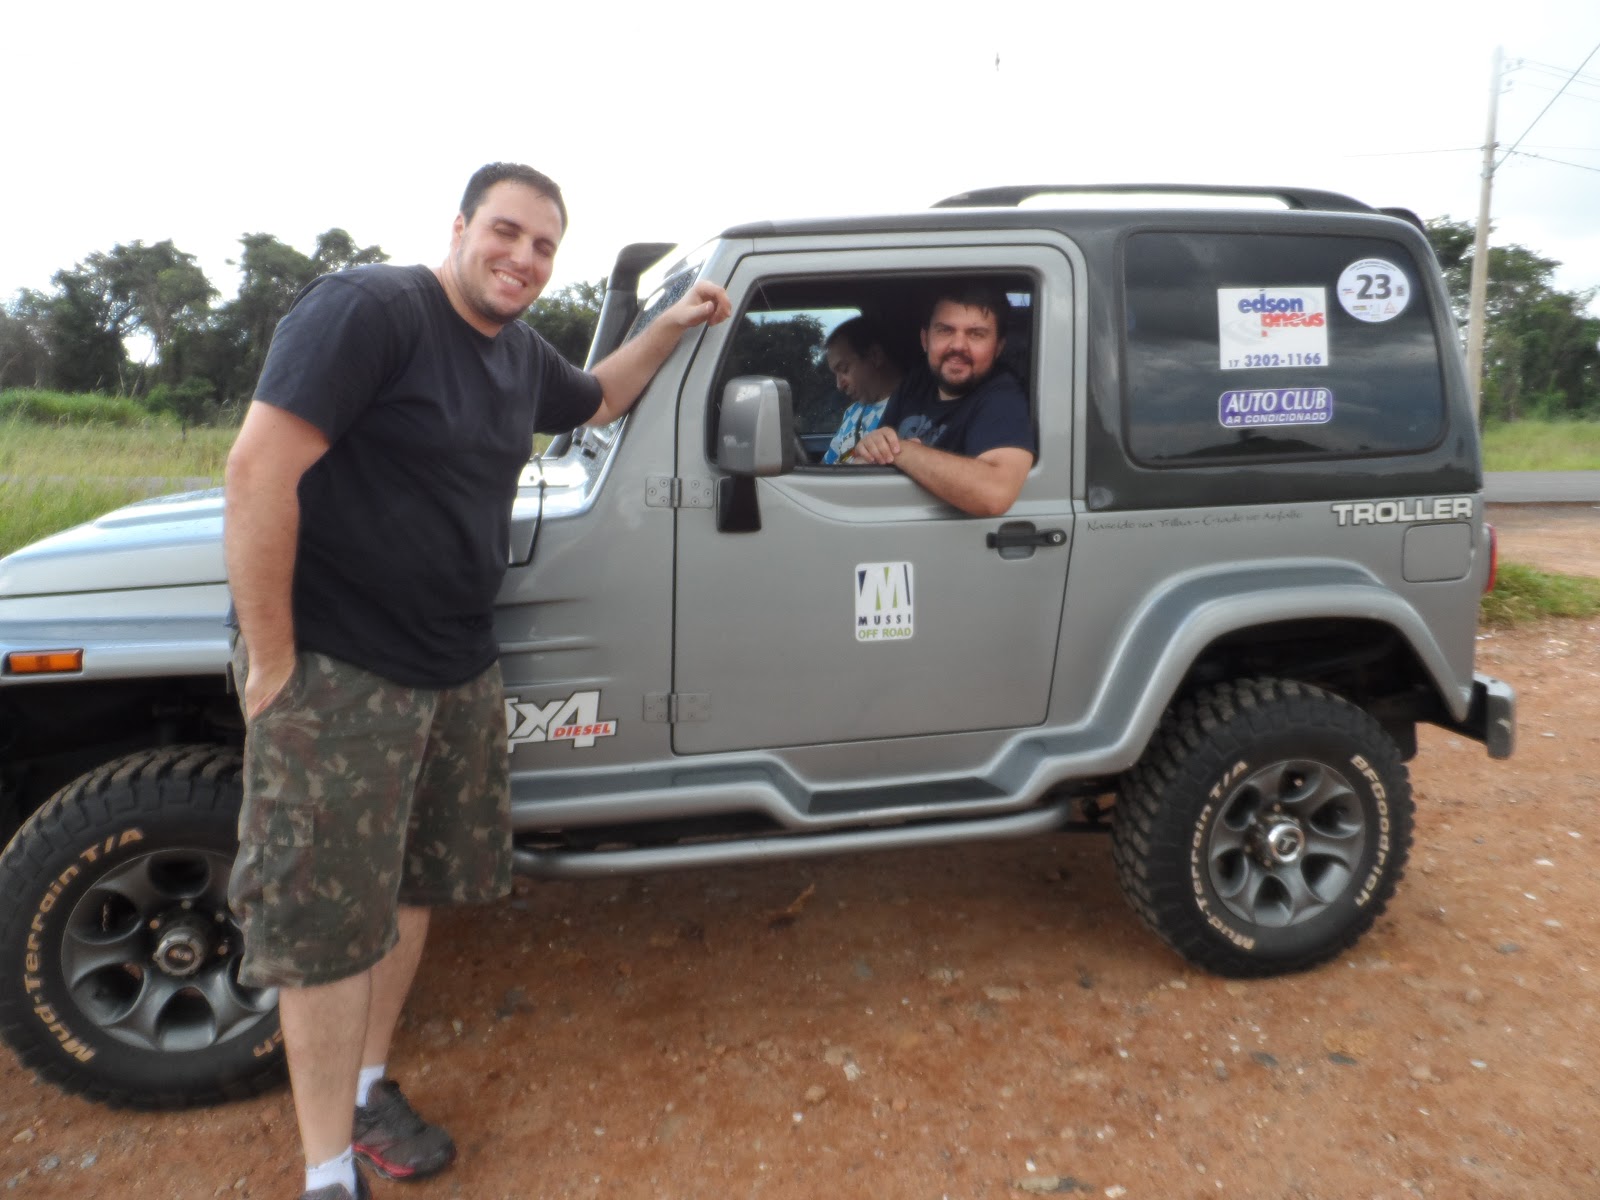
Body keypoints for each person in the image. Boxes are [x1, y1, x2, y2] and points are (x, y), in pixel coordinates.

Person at [222, 162, 731, 1200]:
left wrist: (675, 323)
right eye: (506, 231)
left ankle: (367, 1091)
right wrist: (274, 664)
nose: (523, 258)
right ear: (458, 227)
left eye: (544, 246)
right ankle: (326, 1173)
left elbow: (600, 395)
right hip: (342, 670)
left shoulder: (516, 354)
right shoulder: (372, 311)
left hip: (455, 667)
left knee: (412, 889)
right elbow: (258, 471)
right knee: (325, 928)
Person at [850, 283, 1034, 515]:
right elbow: (869, 461)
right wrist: (872, 449)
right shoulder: (917, 381)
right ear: (925, 339)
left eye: (976, 334)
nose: (958, 345)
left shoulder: (1004, 397)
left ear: (998, 348)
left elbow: (995, 494)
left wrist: (902, 452)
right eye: (945, 330)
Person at [819, 316, 902, 463]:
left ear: (875, 356)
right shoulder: (853, 412)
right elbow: (827, 466)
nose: (839, 385)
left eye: (844, 369)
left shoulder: (910, 412)